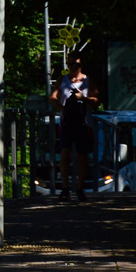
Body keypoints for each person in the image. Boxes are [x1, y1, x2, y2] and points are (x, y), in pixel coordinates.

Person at [49, 55, 99, 201]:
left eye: (76, 64)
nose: (73, 67)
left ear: (81, 65)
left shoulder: (88, 81)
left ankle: (80, 188)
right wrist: (62, 108)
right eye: (70, 64)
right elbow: (52, 97)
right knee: (65, 154)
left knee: (82, 156)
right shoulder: (62, 80)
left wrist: (83, 98)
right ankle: (65, 188)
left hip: (83, 123)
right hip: (66, 123)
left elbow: (96, 100)